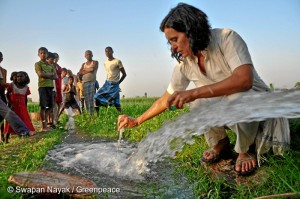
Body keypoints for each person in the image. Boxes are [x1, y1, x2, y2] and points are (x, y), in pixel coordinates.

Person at [118, 3, 290, 176]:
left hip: (258, 108)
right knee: (198, 102)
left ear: (191, 31)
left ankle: (245, 149)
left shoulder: (226, 38)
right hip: (232, 111)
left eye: (174, 39)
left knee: (234, 95)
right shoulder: (185, 64)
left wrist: (192, 92)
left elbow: (244, 80)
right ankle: (220, 142)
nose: (172, 47)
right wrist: (137, 121)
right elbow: (166, 99)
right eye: (169, 42)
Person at [4, 71, 35, 142]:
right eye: (18, 76)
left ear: (25, 78)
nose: (19, 78)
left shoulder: (26, 88)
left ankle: (22, 135)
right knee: (11, 121)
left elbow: (25, 98)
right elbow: (6, 94)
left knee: (22, 120)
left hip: (22, 107)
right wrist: (9, 102)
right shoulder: (12, 85)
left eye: (21, 76)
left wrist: (25, 107)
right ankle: (6, 139)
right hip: (13, 106)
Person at [94, 47, 127, 113]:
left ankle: (121, 115)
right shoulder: (105, 63)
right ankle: (97, 116)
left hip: (115, 84)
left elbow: (124, 74)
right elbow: (109, 73)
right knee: (96, 97)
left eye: (109, 51)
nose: (107, 53)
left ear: (112, 51)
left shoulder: (117, 61)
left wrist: (118, 83)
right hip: (107, 83)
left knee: (116, 102)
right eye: (106, 51)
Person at [35, 47, 57, 132]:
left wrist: (46, 74)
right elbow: (40, 74)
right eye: (41, 53)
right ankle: (43, 126)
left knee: (50, 106)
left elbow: (55, 76)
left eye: (45, 53)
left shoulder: (50, 65)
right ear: (38, 54)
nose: (43, 55)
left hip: (50, 87)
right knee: (43, 106)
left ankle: (46, 124)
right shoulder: (38, 64)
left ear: (47, 54)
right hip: (43, 87)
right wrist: (50, 75)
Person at [79, 50, 98, 115]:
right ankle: (88, 114)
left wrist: (84, 70)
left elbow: (92, 69)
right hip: (84, 83)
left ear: (92, 55)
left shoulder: (95, 62)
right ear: (85, 56)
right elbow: (80, 73)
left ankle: (91, 115)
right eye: (87, 54)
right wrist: (88, 70)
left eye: (90, 54)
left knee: (92, 99)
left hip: (92, 82)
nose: (88, 55)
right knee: (86, 100)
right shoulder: (83, 64)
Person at [0, 52, 8, 142]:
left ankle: (2, 136)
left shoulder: (4, 71)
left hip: (1, 93)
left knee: (2, 116)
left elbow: (3, 84)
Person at [53, 52, 62, 124]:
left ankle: (56, 118)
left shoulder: (59, 67)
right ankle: (52, 120)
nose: (55, 58)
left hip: (58, 85)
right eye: (54, 57)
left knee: (59, 103)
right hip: (53, 85)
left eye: (57, 57)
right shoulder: (50, 66)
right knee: (53, 103)